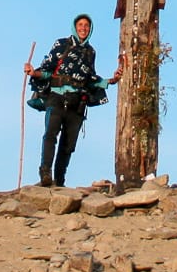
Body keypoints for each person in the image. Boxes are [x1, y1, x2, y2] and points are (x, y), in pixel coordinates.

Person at [24, 13, 122, 187]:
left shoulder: (90, 52)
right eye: (80, 25)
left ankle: (59, 180)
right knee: (50, 135)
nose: (83, 28)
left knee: (68, 145)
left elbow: (91, 78)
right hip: (57, 97)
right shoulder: (62, 44)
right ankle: (45, 173)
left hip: (78, 102)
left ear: (90, 30)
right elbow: (47, 69)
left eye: (86, 26)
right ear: (74, 27)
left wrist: (111, 80)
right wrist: (34, 73)